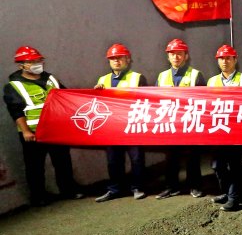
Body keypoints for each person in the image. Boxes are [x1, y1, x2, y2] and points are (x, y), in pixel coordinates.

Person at [4, 46, 82, 206]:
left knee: (63, 161)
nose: (37, 63)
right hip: (33, 132)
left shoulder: (50, 79)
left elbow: (67, 97)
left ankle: (68, 190)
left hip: (56, 129)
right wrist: (25, 130)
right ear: (21, 65)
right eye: (32, 61)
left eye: (39, 60)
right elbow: (15, 110)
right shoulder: (14, 86)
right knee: (35, 166)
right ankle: (38, 196)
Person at [93, 44, 147, 203]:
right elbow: (99, 104)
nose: (116, 61)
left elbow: (146, 100)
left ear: (128, 60)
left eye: (120, 58)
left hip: (132, 124)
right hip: (112, 127)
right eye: (113, 59)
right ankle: (115, 189)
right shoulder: (103, 80)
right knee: (113, 160)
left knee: (136, 159)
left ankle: (137, 187)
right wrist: (96, 92)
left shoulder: (138, 77)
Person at [155, 38, 205, 199]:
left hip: (190, 123)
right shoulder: (161, 77)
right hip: (170, 124)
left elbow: (204, 100)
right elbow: (154, 99)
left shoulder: (196, 75)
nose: (176, 57)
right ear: (167, 57)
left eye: (179, 54)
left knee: (192, 157)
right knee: (171, 158)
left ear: (186, 56)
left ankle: (195, 186)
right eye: (172, 54)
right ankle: (172, 187)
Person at [206, 44, 242, 212]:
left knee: (235, 165)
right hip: (218, 130)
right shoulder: (212, 81)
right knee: (218, 165)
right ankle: (226, 191)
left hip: (237, 130)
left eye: (228, 58)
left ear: (235, 60)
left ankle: (234, 198)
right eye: (221, 59)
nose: (225, 61)